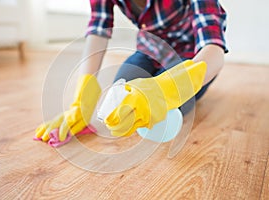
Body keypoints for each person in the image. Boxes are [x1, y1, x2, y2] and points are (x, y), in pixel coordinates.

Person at [35, 0, 227, 141]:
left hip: (190, 56)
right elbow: (98, 29)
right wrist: (81, 100)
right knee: (121, 94)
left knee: (170, 109)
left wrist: (164, 90)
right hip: (150, 51)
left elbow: (214, 50)